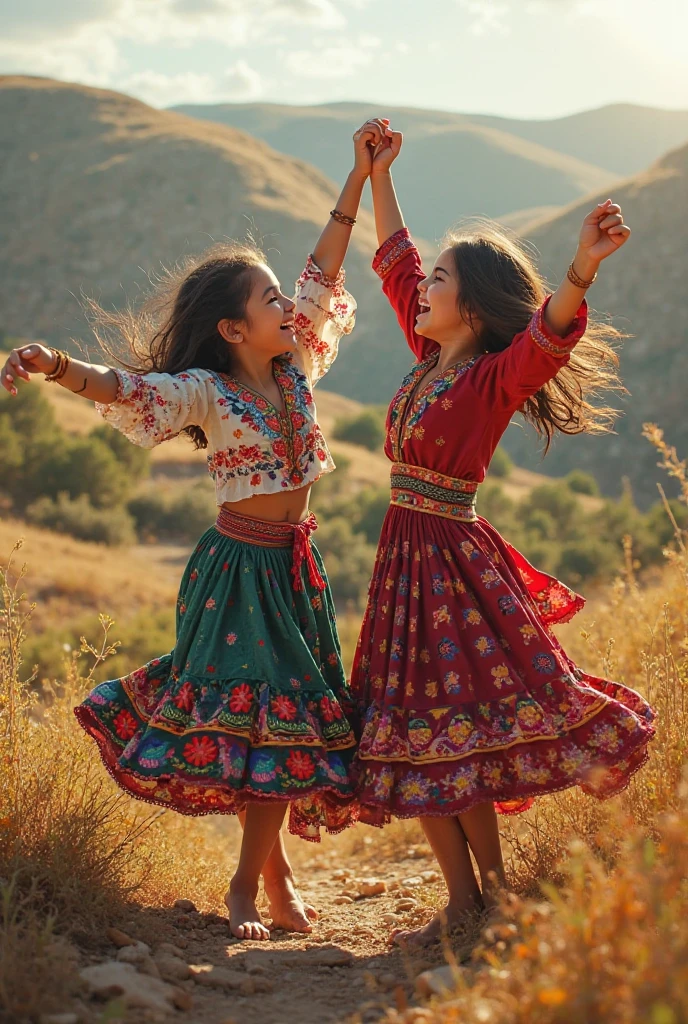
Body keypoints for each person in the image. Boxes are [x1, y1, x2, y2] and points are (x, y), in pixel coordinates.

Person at [0, 120, 386, 942]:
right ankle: (248, 888)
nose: (289, 305)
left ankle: (272, 882)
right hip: (238, 570)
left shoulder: (299, 364)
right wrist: (54, 364)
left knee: (279, 728)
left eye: (284, 297)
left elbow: (326, 268)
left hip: (293, 567)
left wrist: (357, 177)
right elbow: (125, 388)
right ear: (232, 330)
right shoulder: (205, 391)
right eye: (268, 300)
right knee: (265, 720)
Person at [349, 126, 656, 947]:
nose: (423, 289)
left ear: (474, 307)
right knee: (431, 734)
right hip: (405, 566)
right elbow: (396, 260)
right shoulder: (428, 354)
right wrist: (377, 176)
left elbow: (548, 337)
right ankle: (475, 895)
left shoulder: (490, 377)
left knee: (453, 734)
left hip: (450, 564)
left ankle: (480, 897)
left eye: (441, 282)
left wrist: (582, 269)